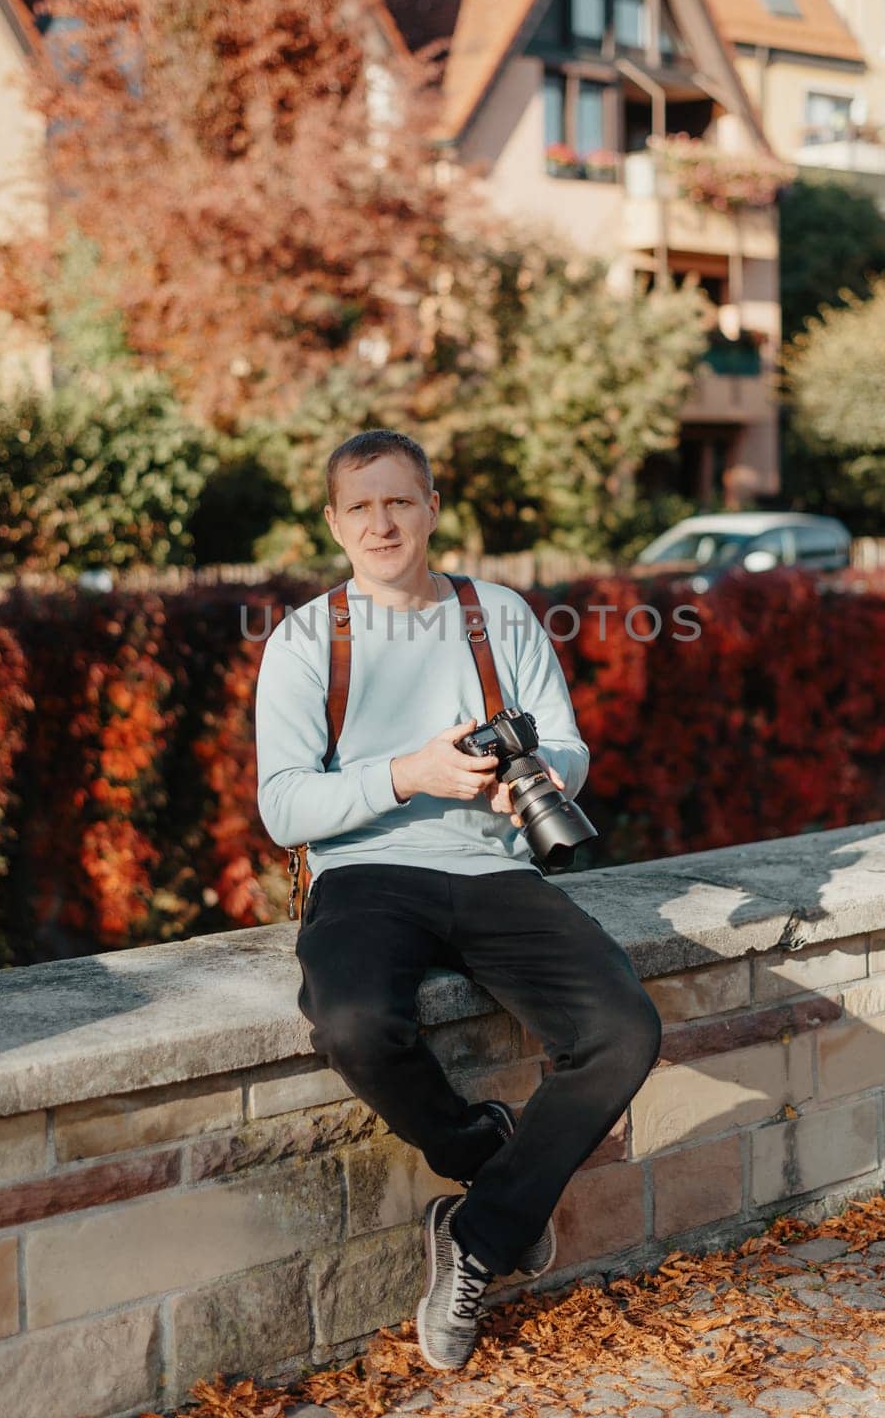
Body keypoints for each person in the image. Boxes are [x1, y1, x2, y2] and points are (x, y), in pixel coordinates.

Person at [254, 429, 662, 1372]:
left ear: (433, 509)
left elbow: (570, 750)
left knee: (623, 1028)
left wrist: (516, 772)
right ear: (333, 524)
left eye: (400, 501)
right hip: (363, 875)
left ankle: (475, 1236)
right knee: (353, 1023)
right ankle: (487, 1150)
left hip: (494, 868)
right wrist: (410, 774)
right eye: (361, 506)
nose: (382, 522)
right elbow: (283, 806)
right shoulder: (308, 639)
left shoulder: (499, 615)